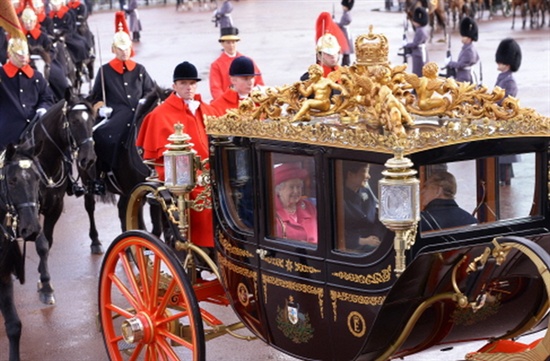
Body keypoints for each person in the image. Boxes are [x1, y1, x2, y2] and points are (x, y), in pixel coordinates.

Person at [136, 61, 217, 248]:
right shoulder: (159, 115)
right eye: (183, 84)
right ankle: (204, 246)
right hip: (181, 176)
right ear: (175, 86)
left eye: (192, 84)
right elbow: (159, 162)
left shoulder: (207, 109)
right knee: (204, 196)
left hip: (209, 172)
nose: (188, 88)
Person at [88, 12, 155, 172]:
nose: (124, 52)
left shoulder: (140, 69)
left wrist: (144, 101)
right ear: (113, 49)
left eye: (126, 48)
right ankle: (105, 173)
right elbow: (95, 97)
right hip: (117, 115)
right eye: (120, 49)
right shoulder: (105, 71)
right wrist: (100, 107)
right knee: (100, 137)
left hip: (140, 114)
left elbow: (151, 90)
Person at [0, 37, 55, 149]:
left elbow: (47, 97)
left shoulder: (36, 76)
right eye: (19, 55)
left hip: (35, 130)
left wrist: (43, 108)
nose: (23, 57)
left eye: (25, 54)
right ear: (10, 55)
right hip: (7, 133)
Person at [342, 161, 388, 253]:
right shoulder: (339, 199)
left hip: (374, 241)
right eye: (364, 171)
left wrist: (376, 237)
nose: (368, 176)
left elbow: (376, 219)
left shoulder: (366, 192)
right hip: (353, 249)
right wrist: (362, 241)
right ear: (350, 174)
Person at [209, 26, 264, 101]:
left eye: (233, 42)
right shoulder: (216, 65)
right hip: (227, 101)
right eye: (228, 42)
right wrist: (225, 103)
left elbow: (259, 83)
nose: (231, 45)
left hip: (249, 100)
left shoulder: (248, 61)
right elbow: (216, 89)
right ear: (222, 44)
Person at [495, 38, 522, 185]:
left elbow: (504, 100)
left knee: (504, 156)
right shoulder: (503, 77)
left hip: (504, 119)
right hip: (499, 118)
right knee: (502, 156)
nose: (498, 64)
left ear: (508, 63)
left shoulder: (509, 81)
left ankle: (505, 180)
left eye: (501, 62)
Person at [273, 162, 317, 244]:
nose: (296, 191)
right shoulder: (272, 212)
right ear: (279, 189)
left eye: (299, 187)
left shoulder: (309, 207)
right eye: (291, 187)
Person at [446, 16, 479, 84]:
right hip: (464, 74)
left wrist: (449, 63)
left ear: (469, 38)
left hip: (464, 77)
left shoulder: (469, 50)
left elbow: (461, 64)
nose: (461, 38)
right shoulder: (468, 48)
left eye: (463, 36)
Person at [403, 6, 429, 78]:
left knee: (417, 71)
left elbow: (415, 43)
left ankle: (416, 88)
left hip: (418, 53)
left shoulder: (419, 30)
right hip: (422, 51)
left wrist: (406, 44)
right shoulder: (422, 28)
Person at [338, 0, 354, 66]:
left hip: (345, 32)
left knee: (346, 47)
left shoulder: (346, 14)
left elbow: (342, 23)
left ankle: (346, 63)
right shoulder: (346, 13)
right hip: (345, 31)